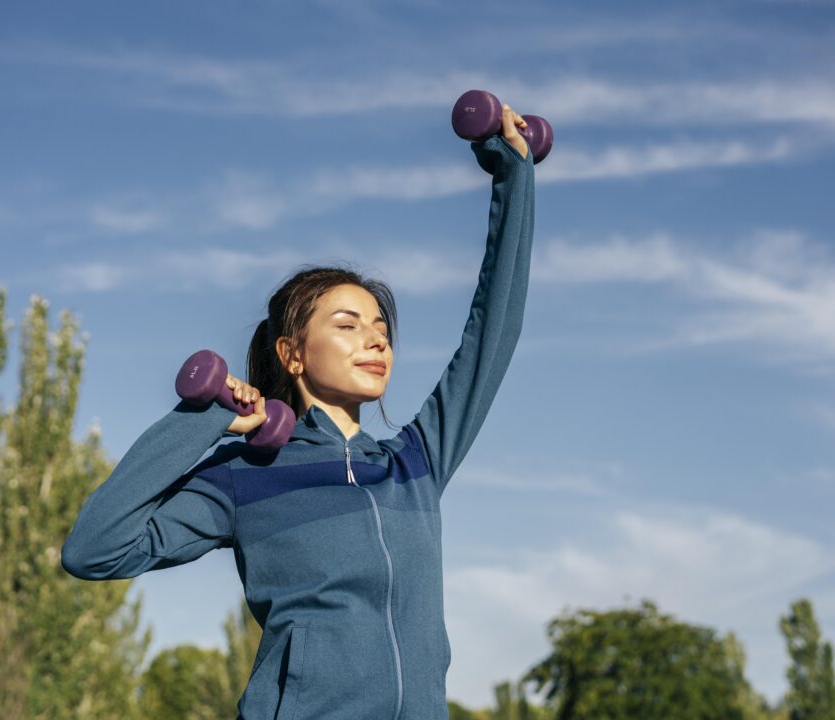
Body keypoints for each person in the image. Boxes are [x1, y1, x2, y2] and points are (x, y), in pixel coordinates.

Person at [61, 104, 536, 720]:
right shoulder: (246, 475)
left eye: (381, 328)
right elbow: (95, 550)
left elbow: (491, 335)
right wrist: (200, 420)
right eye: (348, 325)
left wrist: (514, 178)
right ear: (291, 354)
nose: (376, 340)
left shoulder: (414, 464)